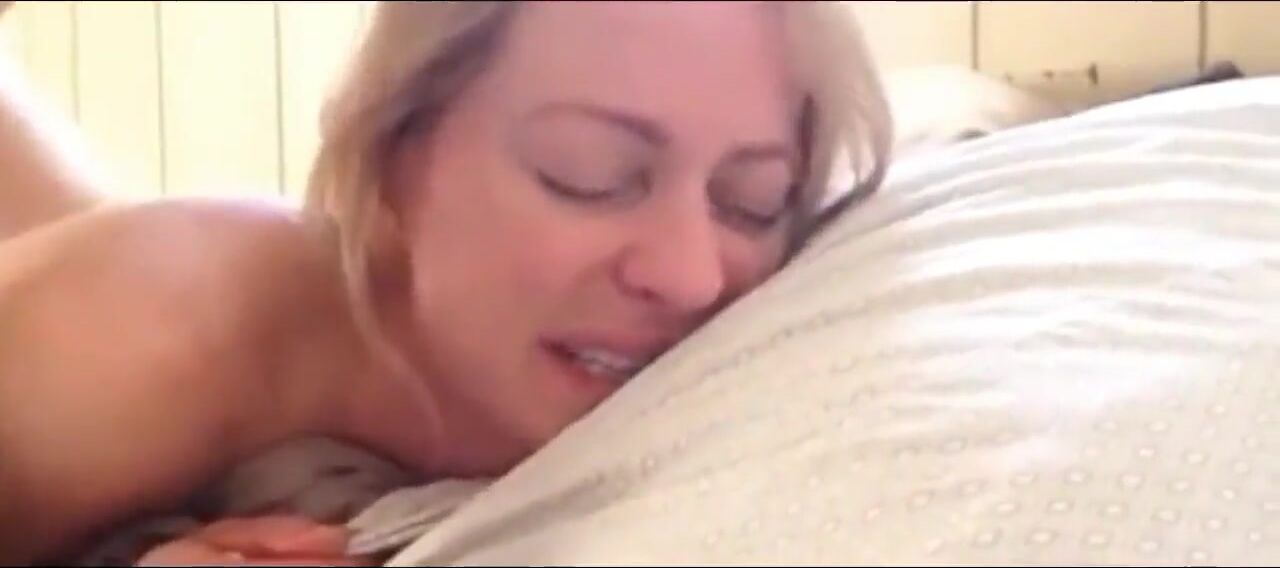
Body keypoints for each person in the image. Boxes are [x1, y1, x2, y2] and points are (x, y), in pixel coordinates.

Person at [0, 1, 891, 564]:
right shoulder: (157, 342)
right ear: (395, 158)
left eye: (750, 201)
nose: (689, 276)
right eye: (589, 174)